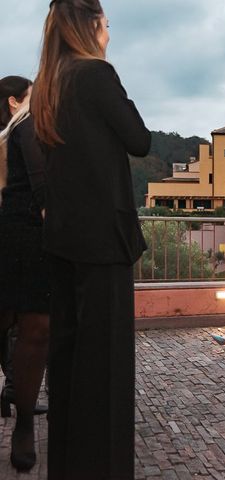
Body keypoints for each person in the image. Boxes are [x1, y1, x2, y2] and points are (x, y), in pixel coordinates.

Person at [30, 1, 151, 477]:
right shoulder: (95, 74)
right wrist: (105, 63)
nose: (109, 31)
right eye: (105, 23)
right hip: (103, 238)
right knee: (106, 363)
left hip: (62, 237)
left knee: (69, 356)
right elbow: (139, 139)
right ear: (91, 25)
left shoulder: (48, 85)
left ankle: (67, 463)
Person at [0, 75, 50, 472]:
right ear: (15, 102)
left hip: (30, 238)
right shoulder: (21, 130)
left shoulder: (33, 128)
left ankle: (24, 422)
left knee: (35, 327)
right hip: (16, 234)